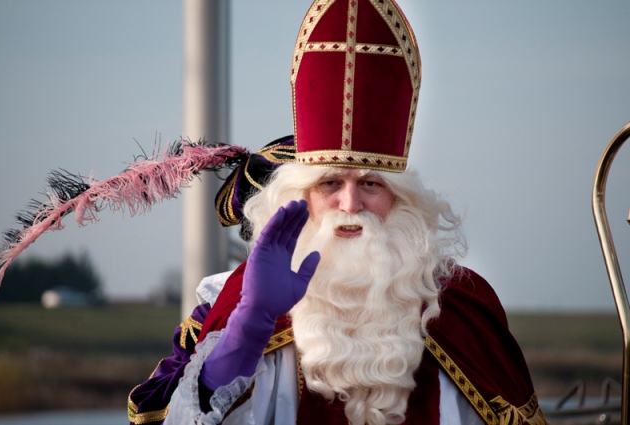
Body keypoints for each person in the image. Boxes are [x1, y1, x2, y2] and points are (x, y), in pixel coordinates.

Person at [128, 1, 549, 424]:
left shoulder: (463, 309)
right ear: (300, 196)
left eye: (371, 184)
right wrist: (248, 327)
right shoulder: (238, 303)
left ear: (402, 199)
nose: (351, 205)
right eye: (330, 184)